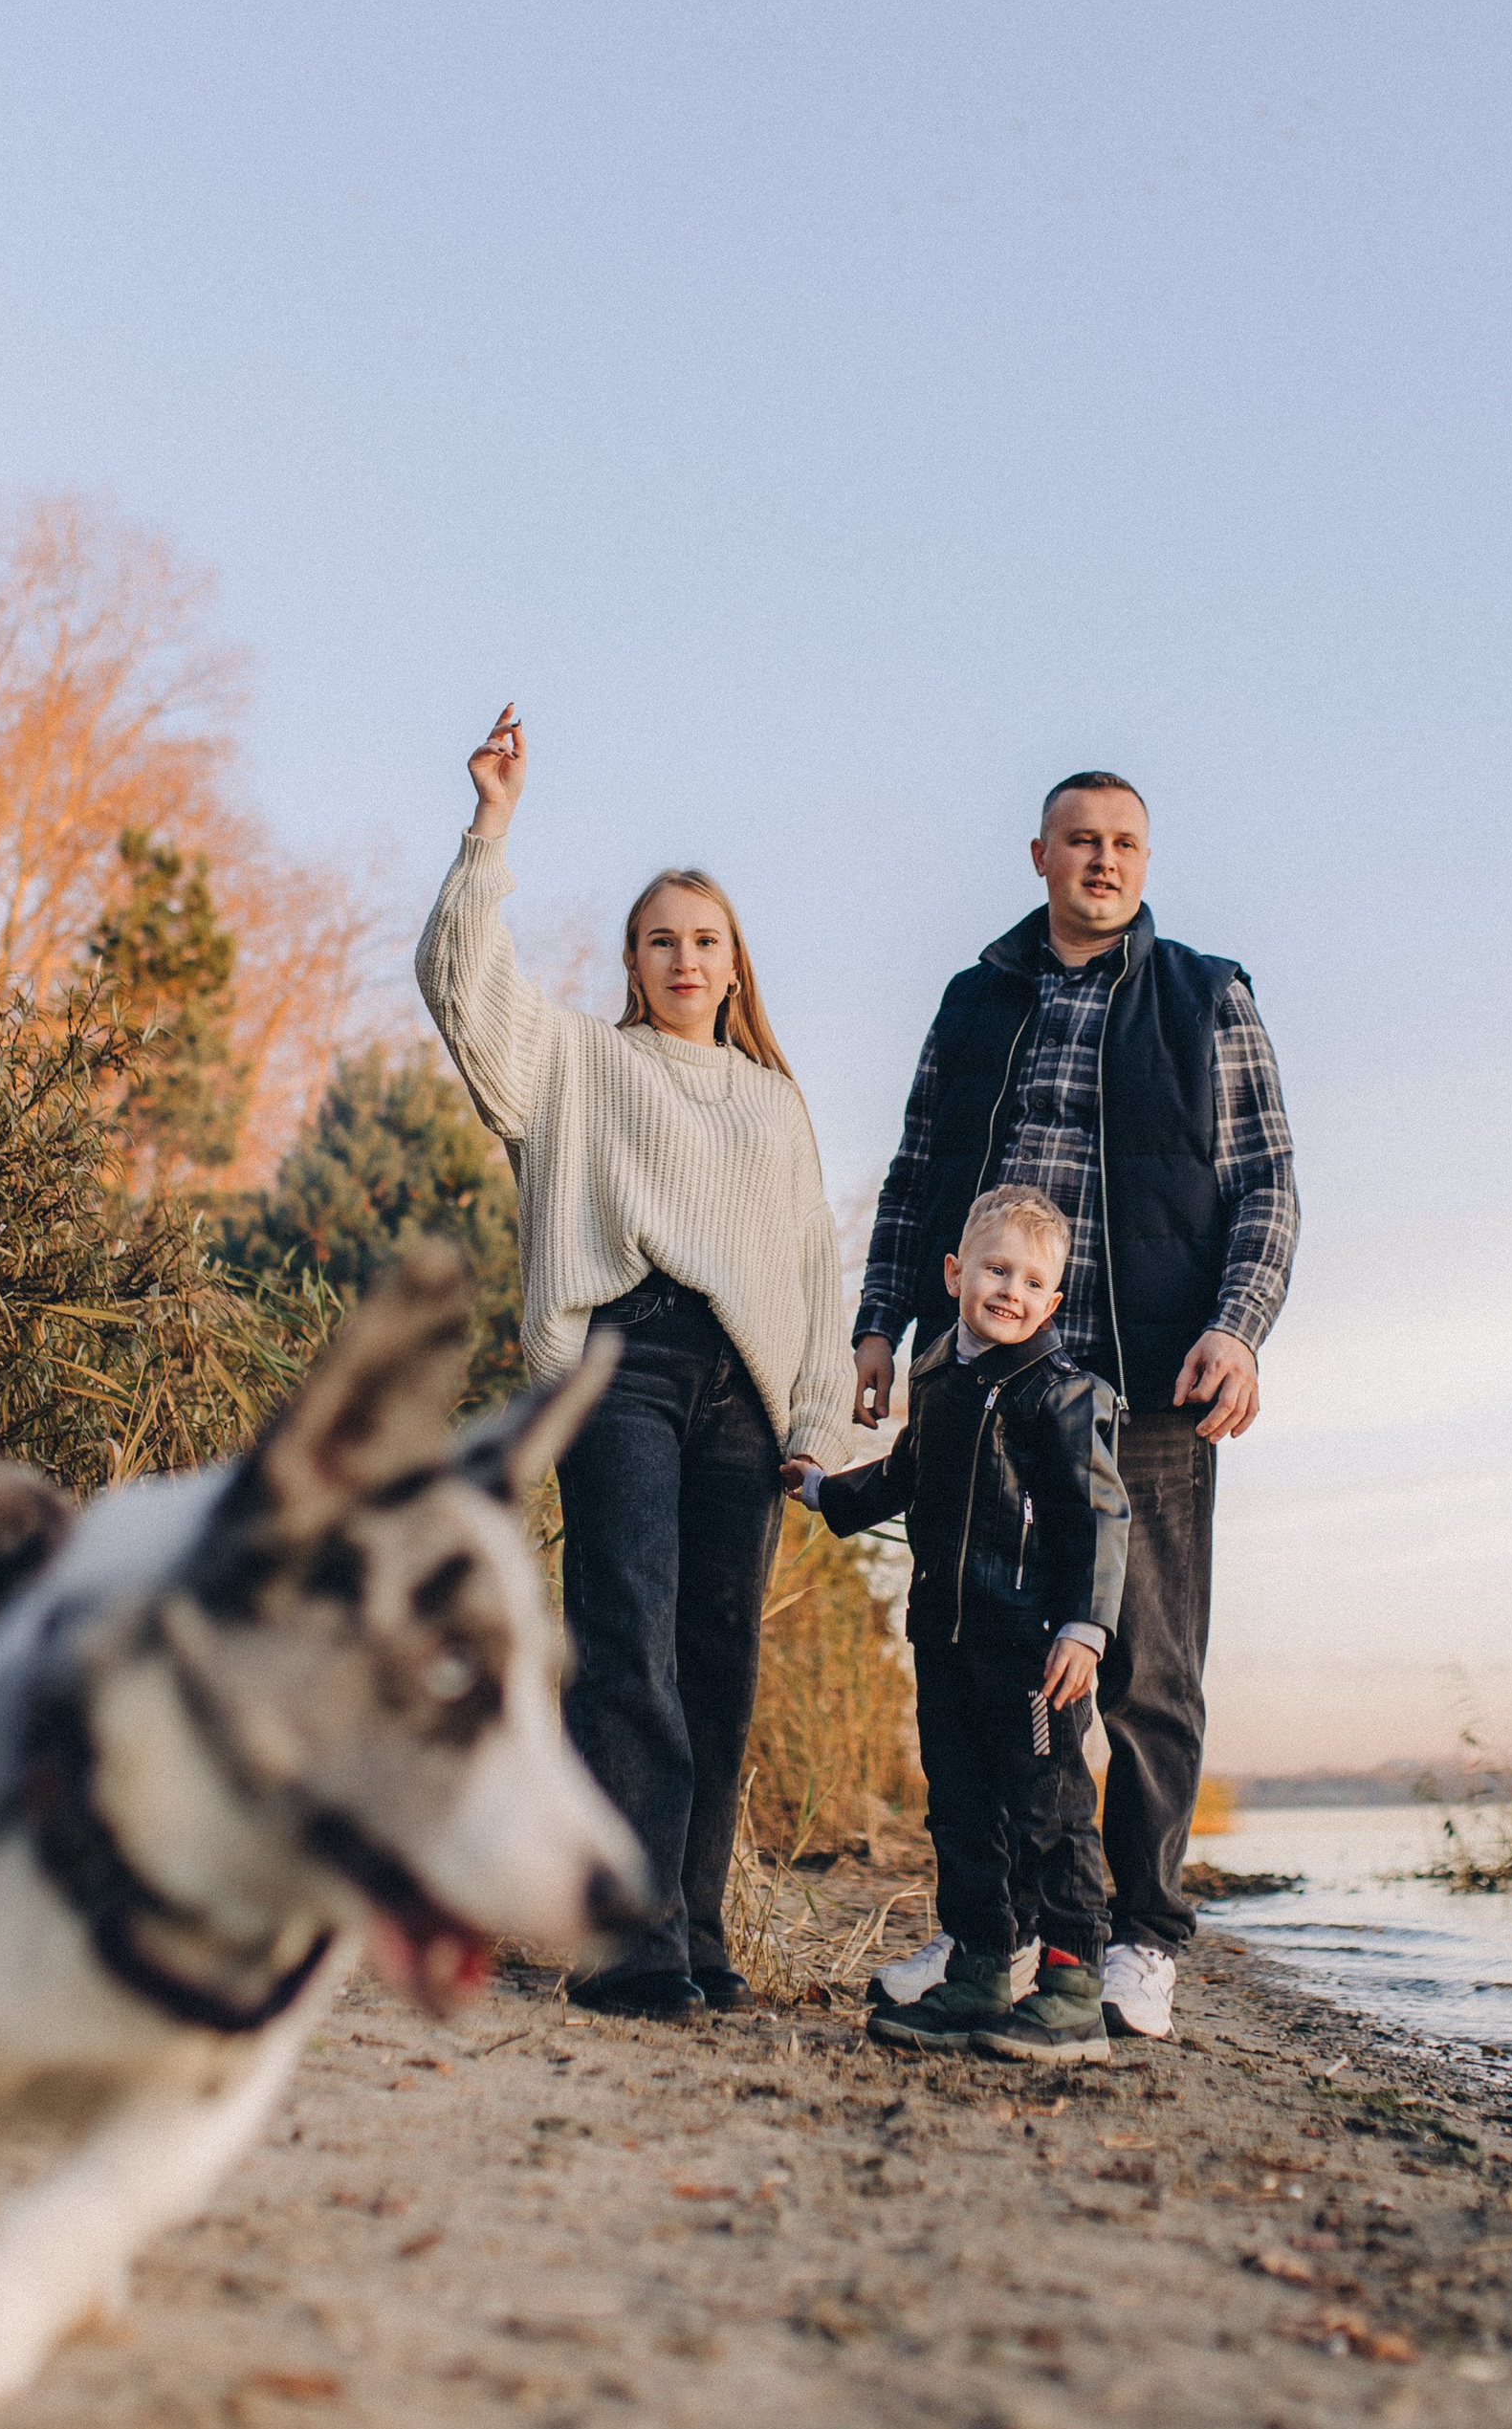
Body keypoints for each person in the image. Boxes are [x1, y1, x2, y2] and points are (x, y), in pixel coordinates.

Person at [415, 703, 852, 2019]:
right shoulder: (580, 1062)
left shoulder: (776, 1102)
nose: (683, 958)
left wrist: (817, 1421)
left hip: (745, 1390)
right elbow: (461, 986)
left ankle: (696, 1934)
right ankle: (625, 1944)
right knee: (627, 1645)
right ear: (632, 960)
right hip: (624, 1363)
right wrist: (491, 828)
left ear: (734, 963)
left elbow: (812, 1269)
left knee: (717, 1661)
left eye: (704, 940)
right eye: (660, 939)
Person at [851, 773, 1298, 2045]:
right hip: (982, 1391)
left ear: (1145, 860)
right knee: (983, 1672)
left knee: (1145, 1674)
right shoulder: (975, 998)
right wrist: (883, 1321)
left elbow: (1266, 1185)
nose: (1103, 860)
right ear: (1039, 853)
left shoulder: (1206, 996)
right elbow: (916, 1174)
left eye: (1125, 844)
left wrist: (1237, 1328)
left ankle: (1139, 1941)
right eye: (1081, 840)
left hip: (1145, 1388)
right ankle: (989, 1933)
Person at [786, 1187, 1129, 2066]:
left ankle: (1073, 1988)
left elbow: (1098, 1518)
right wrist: (824, 1490)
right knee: (962, 1811)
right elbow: (905, 1473)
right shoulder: (937, 1377)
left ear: (1054, 1301)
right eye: (996, 1270)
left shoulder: (1064, 1395)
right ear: (954, 1274)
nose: (1011, 1291)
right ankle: (979, 1971)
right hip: (944, 1639)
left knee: (1049, 1810)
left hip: (1034, 1649)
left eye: (1033, 1281)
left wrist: (1085, 1628)